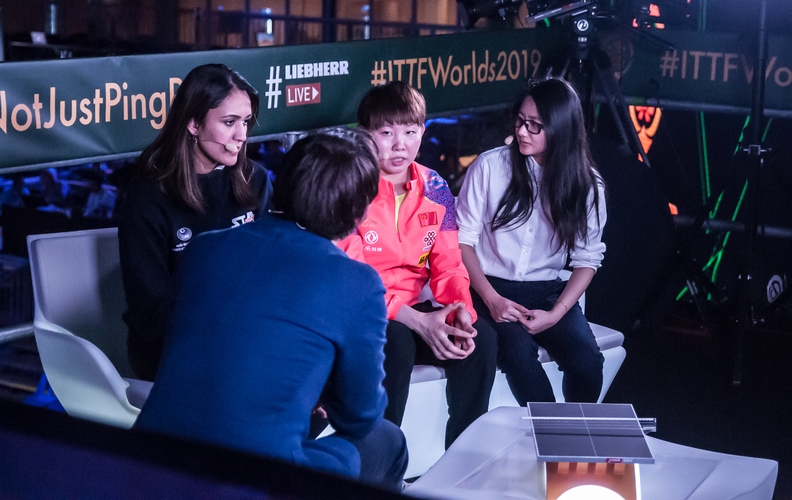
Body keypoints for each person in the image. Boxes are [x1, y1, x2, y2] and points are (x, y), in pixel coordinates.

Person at [135, 132, 407, 491]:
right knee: (388, 441)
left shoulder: (204, 249)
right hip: (258, 479)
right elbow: (360, 417)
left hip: (145, 460)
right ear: (360, 210)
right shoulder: (356, 282)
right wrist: (326, 394)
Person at [338, 81, 497, 448]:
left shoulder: (435, 187)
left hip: (416, 309)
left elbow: (450, 267)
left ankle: (462, 457)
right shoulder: (350, 188)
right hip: (366, 311)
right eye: (387, 132)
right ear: (366, 136)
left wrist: (460, 311)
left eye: (410, 132)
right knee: (396, 343)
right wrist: (416, 320)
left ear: (422, 132)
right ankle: (379, 463)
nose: (400, 144)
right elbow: (352, 280)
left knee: (481, 339)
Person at [456, 77, 607, 404]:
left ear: (561, 129)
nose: (522, 131)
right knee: (520, 358)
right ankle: (549, 446)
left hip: (547, 290)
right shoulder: (490, 166)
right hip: (487, 287)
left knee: (588, 363)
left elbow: (588, 259)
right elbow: (462, 241)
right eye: (521, 121)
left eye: (535, 126)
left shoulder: (587, 185)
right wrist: (492, 299)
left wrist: (556, 314)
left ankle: (574, 445)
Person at [118, 63, 273, 381]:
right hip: (172, 347)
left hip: (247, 334)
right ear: (193, 123)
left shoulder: (254, 179)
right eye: (229, 122)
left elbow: (271, 272)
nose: (242, 135)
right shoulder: (148, 197)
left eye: (245, 122)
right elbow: (152, 315)